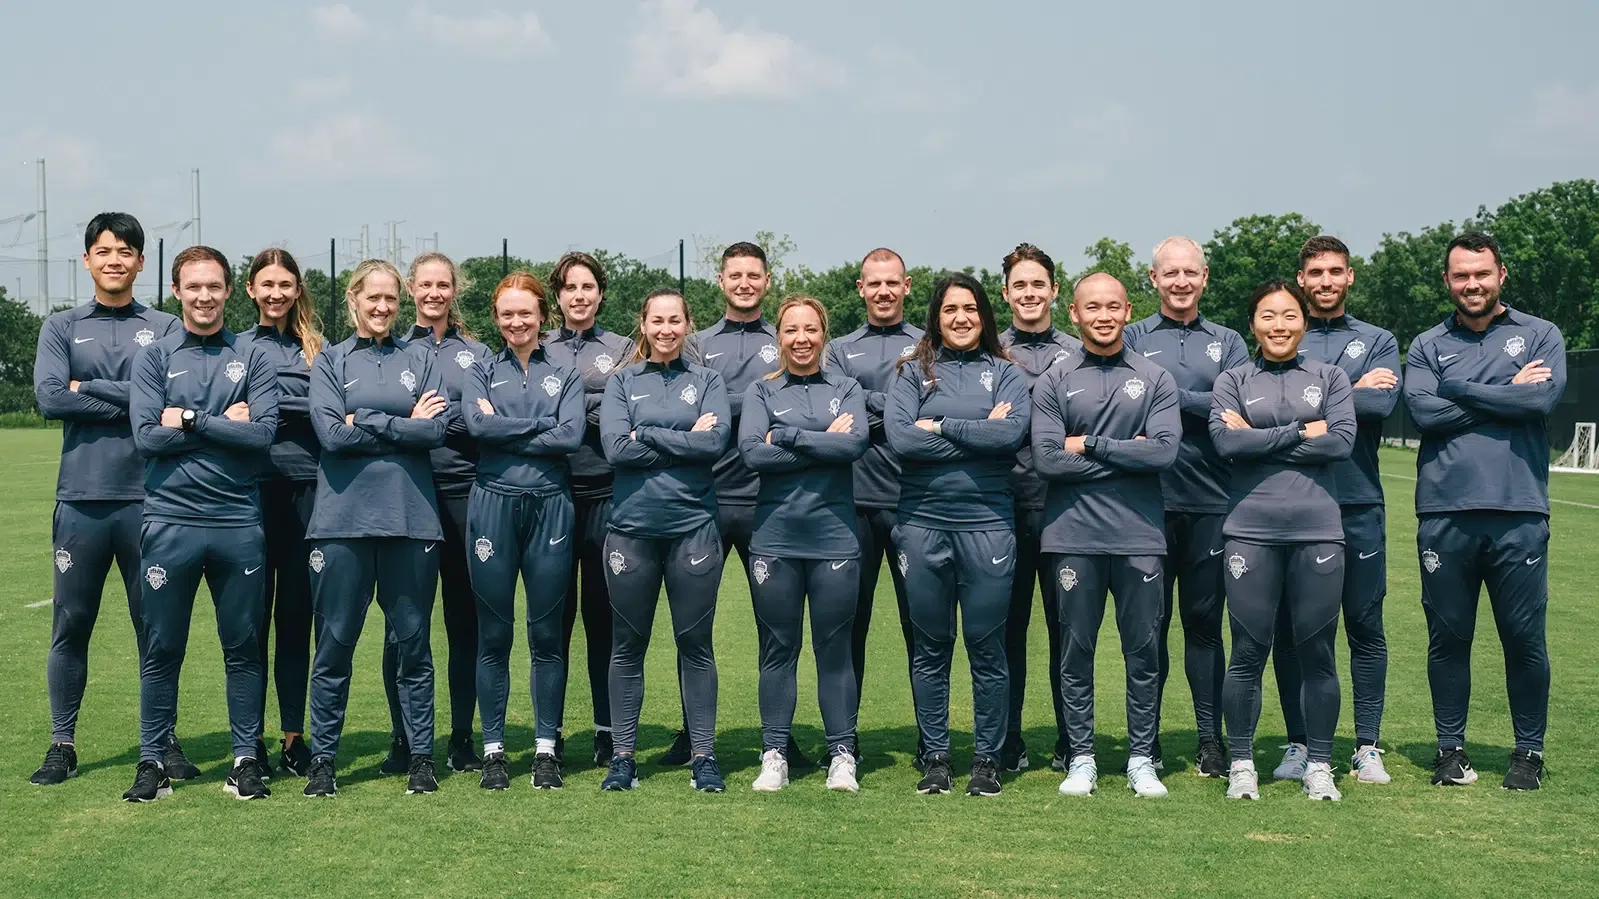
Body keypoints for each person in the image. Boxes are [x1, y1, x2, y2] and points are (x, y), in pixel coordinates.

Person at [1403, 231, 1565, 791]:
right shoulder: (1426, 344)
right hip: (1443, 514)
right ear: (1447, 281)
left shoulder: (1540, 333)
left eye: (1482, 274)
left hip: (1518, 512)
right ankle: (1450, 752)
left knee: (1523, 638)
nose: (1472, 284)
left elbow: (1539, 401)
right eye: (1460, 275)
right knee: (1449, 638)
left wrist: (1459, 388)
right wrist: (1501, 393)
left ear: (1501, 276)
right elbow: (1423, 413)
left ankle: (1529, 753)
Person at [30, 212, 185, 786]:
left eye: (126, 251)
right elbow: (49, 399)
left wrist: (87, 387)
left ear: (143, 262)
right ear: (88, 259)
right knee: (72, 622)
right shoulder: (61, 326)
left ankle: (163, 742)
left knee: (156, 628)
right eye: (104, 250)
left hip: (154, 500)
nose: (115, 259)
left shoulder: (167, 328)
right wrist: (139, 401)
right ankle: (62, 742)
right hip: (82, 500)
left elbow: (175, 393)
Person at [124, 246, 281, 801]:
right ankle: (152, 761)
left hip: (238, 520)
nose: (205, 297)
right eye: (194, 287)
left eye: (214, 286)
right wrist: (222, 424)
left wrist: (189, 418)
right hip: (170, 521)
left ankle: (244, 760)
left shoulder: (253, 355)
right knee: (162, 647)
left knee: (242, 644)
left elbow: (261, 436)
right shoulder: (153, 357)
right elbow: (146, 437)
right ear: (177, 292)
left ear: (229, 291)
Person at [302, 259, 450, 797]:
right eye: (374, 298)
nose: (383, 307)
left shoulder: (422, 359)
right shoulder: (331, 362)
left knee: (413, 647)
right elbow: (330, 437)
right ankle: (323, 760)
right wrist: (400, 424)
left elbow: (435, 430)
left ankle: (419, 758)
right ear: (353, 299)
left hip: (410, 522)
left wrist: (361, 419)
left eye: (391, 299)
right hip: (341, 523)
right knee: (335, 646)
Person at [1031, 273, 1180, 799]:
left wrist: (1088, 445)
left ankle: (1142, 757)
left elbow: (1162, 453)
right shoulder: (1053, 378)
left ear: (1126, 310)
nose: (1103, 315)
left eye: (1113, 306)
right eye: (1092, 307)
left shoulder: (1156, 377)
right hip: (1072, 536)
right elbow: (1048, 459)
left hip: (1140, 536)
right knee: (1076, 651)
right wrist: (1124, 453)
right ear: (1074, 313)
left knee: (1143, 652)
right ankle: (1083, 756)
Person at [886, 272, 1030, 796]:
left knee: (986, 645)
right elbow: (902, 439)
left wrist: (942, 426)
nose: (961, 318)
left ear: (984, 314)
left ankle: (987, 759)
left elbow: (1012, 434)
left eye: (970, 308)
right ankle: (937, 755)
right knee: (931, 644)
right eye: (950, 310)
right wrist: (979, 433)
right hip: (922, 524)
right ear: (936, 317)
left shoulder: (1007, 372)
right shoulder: (910, 373)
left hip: (988, 525)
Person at [1210, 281, 1356, 801]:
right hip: (1249, 531)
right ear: (1253, 323)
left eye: (1289, 315)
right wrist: (1302, 432)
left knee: (1317, 650)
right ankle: (1243, 764)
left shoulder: (1331, 376)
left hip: (1318, 529)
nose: (1279, 325)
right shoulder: (1232, 378)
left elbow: (1340, 442)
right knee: (1248, 649)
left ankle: (1319, 765)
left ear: (1304, 322)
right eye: (1268, 316)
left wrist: (1261, 438)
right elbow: (1227, 443)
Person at [1269, 236, 1401, 785]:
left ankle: (1366, 745)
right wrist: (1349, 389)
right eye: (1315, 272)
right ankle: (1299, 742)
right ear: (1301, 279)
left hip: (1356, 501)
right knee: (1290, 629)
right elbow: (1266, 406)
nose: (1325, 280)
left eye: (1335, 271)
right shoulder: (1280, 335)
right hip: (1287, 504)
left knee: (1364, 623)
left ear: (1350, 277)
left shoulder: (1378, 339)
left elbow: (1384, 403)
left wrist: (1312, 397)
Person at [1123, 236, 1250, 776]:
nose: (1180, 282)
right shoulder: (1130, 336)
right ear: (1152, 279)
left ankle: (1208, 739)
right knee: (1147, 629)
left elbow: (1239, 409)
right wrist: (1203, 403)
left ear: (1205, 277)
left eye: (1189, 273)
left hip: (1213, 504)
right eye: (1169, 273)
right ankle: (1145, 742)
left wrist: (1166, 395)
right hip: (1144, 504)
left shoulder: (1230, 342)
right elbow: (1120, 408)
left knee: (1204, 625)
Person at [598, 289, 732, 793]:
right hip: (631, 531)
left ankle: (703, 757)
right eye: (657, 320)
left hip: (692, 528)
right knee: (627, 646)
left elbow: (714, 444)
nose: (667, 329)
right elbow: (615, 448)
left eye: (676, 321)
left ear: (686, 324)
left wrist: (646, 434)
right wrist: (681, 440)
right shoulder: (622, 381)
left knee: (695, 644)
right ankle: (624, 759)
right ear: (644, 324)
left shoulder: (708, 380)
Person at [738, 296, 869, 793]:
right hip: (776, 538)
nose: (801, 339)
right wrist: (820, 442)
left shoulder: (847, 387)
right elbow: (752, 453)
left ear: (823, 334)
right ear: (779, 337)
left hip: (834, 537)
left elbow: (854, 446)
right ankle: (774, 753)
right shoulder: (760, 390)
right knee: (779, 648)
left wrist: (785, 436)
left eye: (810, 329)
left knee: (834, 649)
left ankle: (841, 753)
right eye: (791, 330)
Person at [462, 272, 585, 790]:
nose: (517, 322)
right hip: (492, 505)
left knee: (546, 633)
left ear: (543, 317)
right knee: (493, 633)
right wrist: (541, 426)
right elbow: (476, 429)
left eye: (526, 313)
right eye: (507, 314)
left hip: (551, 507)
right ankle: (493, 750)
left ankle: (544, 750)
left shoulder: (568, 374)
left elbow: (572, 435)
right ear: (497, 319)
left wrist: (507, 429)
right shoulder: (479, 371)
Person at [683, 241, 802, 766]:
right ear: (721, 280)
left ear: (767, 281)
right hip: (704, 497)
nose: (745, 283)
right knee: (694, 622)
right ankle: (692, 733)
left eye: (754, 275)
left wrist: (728, 408)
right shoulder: (696, 342)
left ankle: (779, 734)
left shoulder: (788, 340)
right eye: (736, 275)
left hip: (766, 502)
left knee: (775, 625)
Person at [378, 252, 489, 776]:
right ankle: (404, 738)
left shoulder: (478, 353)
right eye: (424, 284)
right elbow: (388, 418)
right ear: (410, 289)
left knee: (465, 621)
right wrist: (415, 422)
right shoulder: (393, 351)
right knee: (403, 626)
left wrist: (433, 421)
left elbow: (482, 423)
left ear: (454, 289)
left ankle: (462, 737)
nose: (434, 293)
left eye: (443, 284)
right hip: (409, 496)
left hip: (467, 494)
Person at [822, 248, 924, 762]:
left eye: (892, 283)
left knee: (921, 626)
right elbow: (838, 411)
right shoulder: (839, 350)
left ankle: (932, 740)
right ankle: (845, 739)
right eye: (873, 284)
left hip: (916, 503)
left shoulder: (931, 346)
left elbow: (869, 414)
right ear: (860, 289)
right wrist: (905, 413)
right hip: (853, 503)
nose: (883, 291)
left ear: (907, 286)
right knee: (848, 624)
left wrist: (872, 410)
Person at [543, 251, 636, 767]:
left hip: (608, 495)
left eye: (588, 287)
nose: (580, 296)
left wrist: (569, 410)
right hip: (552, 496)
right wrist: (588, 408)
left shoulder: (623, 349)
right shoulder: (539, 347)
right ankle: (549, 734)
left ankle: (607, 730)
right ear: (557, 296)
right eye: (570, 288)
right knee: (554, 620)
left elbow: (629, 409)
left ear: (601, 293)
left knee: (605, 618)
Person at [996, 243, 1081, 773]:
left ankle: (1072, 740)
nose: (1029, 293)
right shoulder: (988, 351)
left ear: (1054, 290)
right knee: (1005, 629)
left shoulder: (1078, 352)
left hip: (1063, 508)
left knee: (1065, 628)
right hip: (1000, 506)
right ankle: (1007, 738)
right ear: (1005, 293)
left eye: (1038, 284)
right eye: (1019, 285)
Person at [241, 248, 325, 777]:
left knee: (297, 618)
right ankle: (250, 741)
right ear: (250, 290)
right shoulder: (235, 347)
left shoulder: (319, 350)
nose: (276, 293)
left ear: (298, 291)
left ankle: (294, 736)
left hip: (309, 492)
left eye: (286, 285)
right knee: (249, 621)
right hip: (248, 493)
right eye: (266, 284)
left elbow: (329, 410)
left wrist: (265, 404)